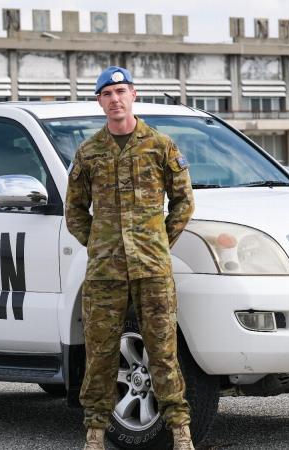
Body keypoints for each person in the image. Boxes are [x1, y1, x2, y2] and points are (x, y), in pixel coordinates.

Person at [65, 66, 195, 450]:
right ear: (100, 102)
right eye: (107, 94)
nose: (115, 99)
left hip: (152, 270)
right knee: (101, 353)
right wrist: (101, 244)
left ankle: (180, 432)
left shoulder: (160, 146)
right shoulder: (89, 153)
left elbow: (184, 201)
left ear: (133, 95)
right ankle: (94, 434)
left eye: (121, 91)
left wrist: (156, 241)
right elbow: (74, 210)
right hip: (105, 272)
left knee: (163, 351)